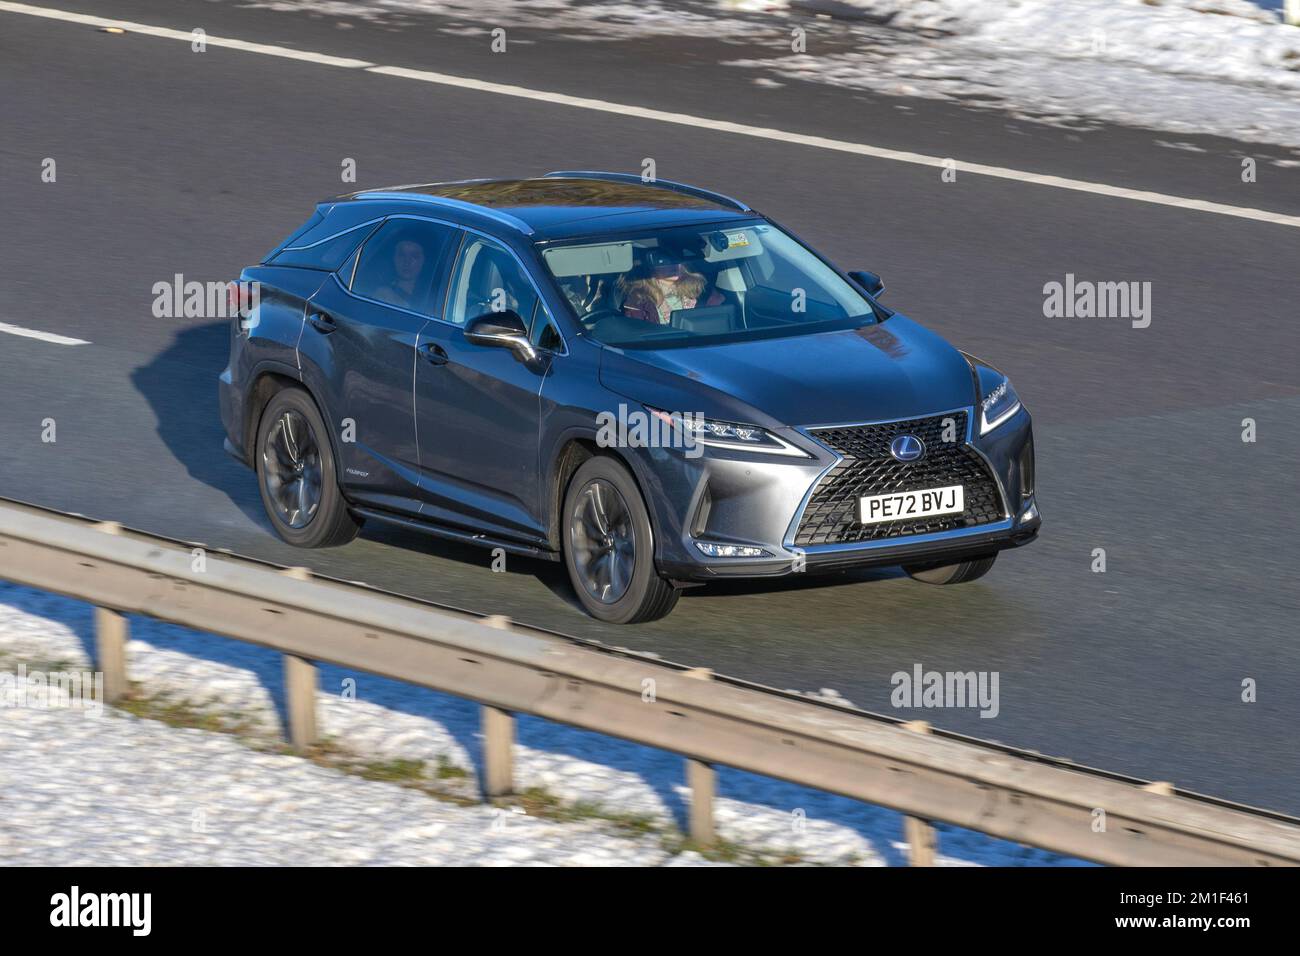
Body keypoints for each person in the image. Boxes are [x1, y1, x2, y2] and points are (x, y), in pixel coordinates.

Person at [619, 252, 721, 325]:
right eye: (662, 261)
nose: (673, 265)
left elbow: (719, 323)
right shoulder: (639, 300)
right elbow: (637, 333)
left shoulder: (703, 291)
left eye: (676, 260)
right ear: (649, 267)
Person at [372, 237, 426, 309]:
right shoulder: (383, 296)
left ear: (424, 261)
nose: (407, 261)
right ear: (394, 258)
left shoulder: (437, 297)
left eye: (414, 256)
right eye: (402, 255)